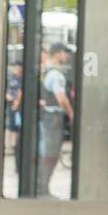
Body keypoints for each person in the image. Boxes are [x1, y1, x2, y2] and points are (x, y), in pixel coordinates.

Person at [37, 42, 74, 195]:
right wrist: (71, 114)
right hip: (53, 118)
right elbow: (62, 98)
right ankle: (43, 189)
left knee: (47, 151)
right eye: (65, 53)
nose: (67, 56)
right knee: (50, 153)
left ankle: (42, 187)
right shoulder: (56, 74)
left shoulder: (47, 71)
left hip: (47, 116)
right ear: (58, 53)